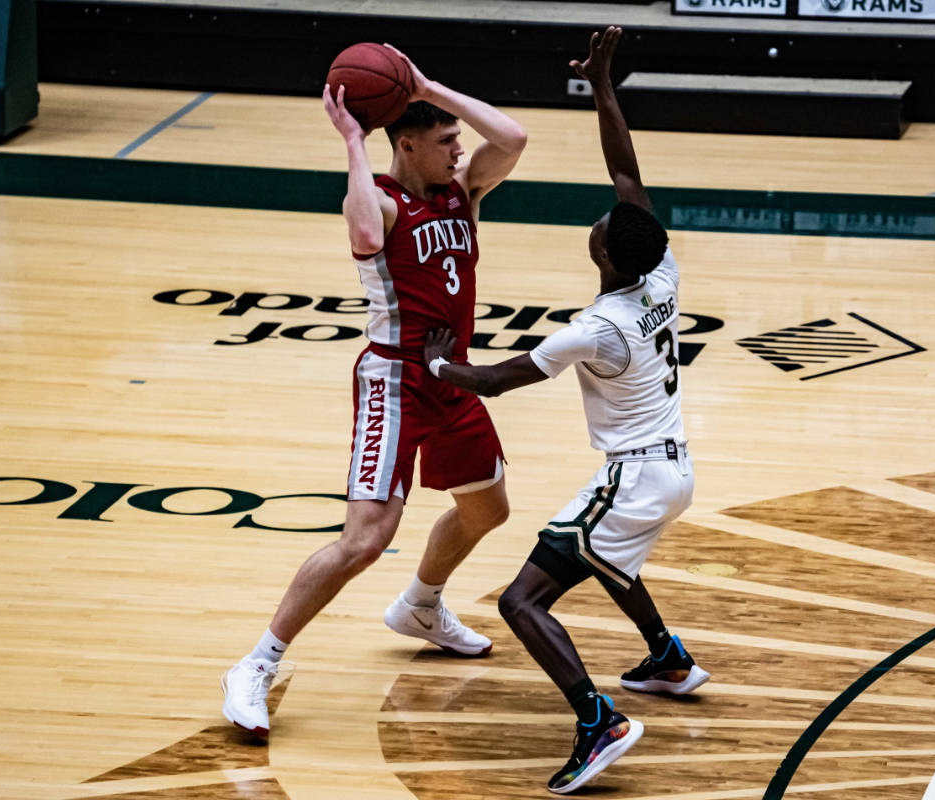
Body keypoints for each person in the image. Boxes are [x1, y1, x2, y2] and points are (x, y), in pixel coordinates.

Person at [420, 26, 709, 795]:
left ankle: (597, 720)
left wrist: (440, 364)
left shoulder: (597, 326)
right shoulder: (661, 268)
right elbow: (625, 169)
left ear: (607, 255)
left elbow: (503, 378)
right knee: (603, 555)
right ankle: (668, 659)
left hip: (639, 474)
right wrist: (603, 86)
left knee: (524, 598)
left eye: (606, 226)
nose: (605, 216)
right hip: (674, 465)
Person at [220, 45, 527, 738]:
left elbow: (513, 138)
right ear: (406, 144)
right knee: (364, 540)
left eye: (457, 140)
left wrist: (428, 87)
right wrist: (355, 143)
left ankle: (421, 604)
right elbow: (360, 230)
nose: (458, 149)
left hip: (453, 378)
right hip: (394, 380)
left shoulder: (463, 192)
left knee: (487, 509)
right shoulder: (382, 203)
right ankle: (255, 665)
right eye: (445, 141)